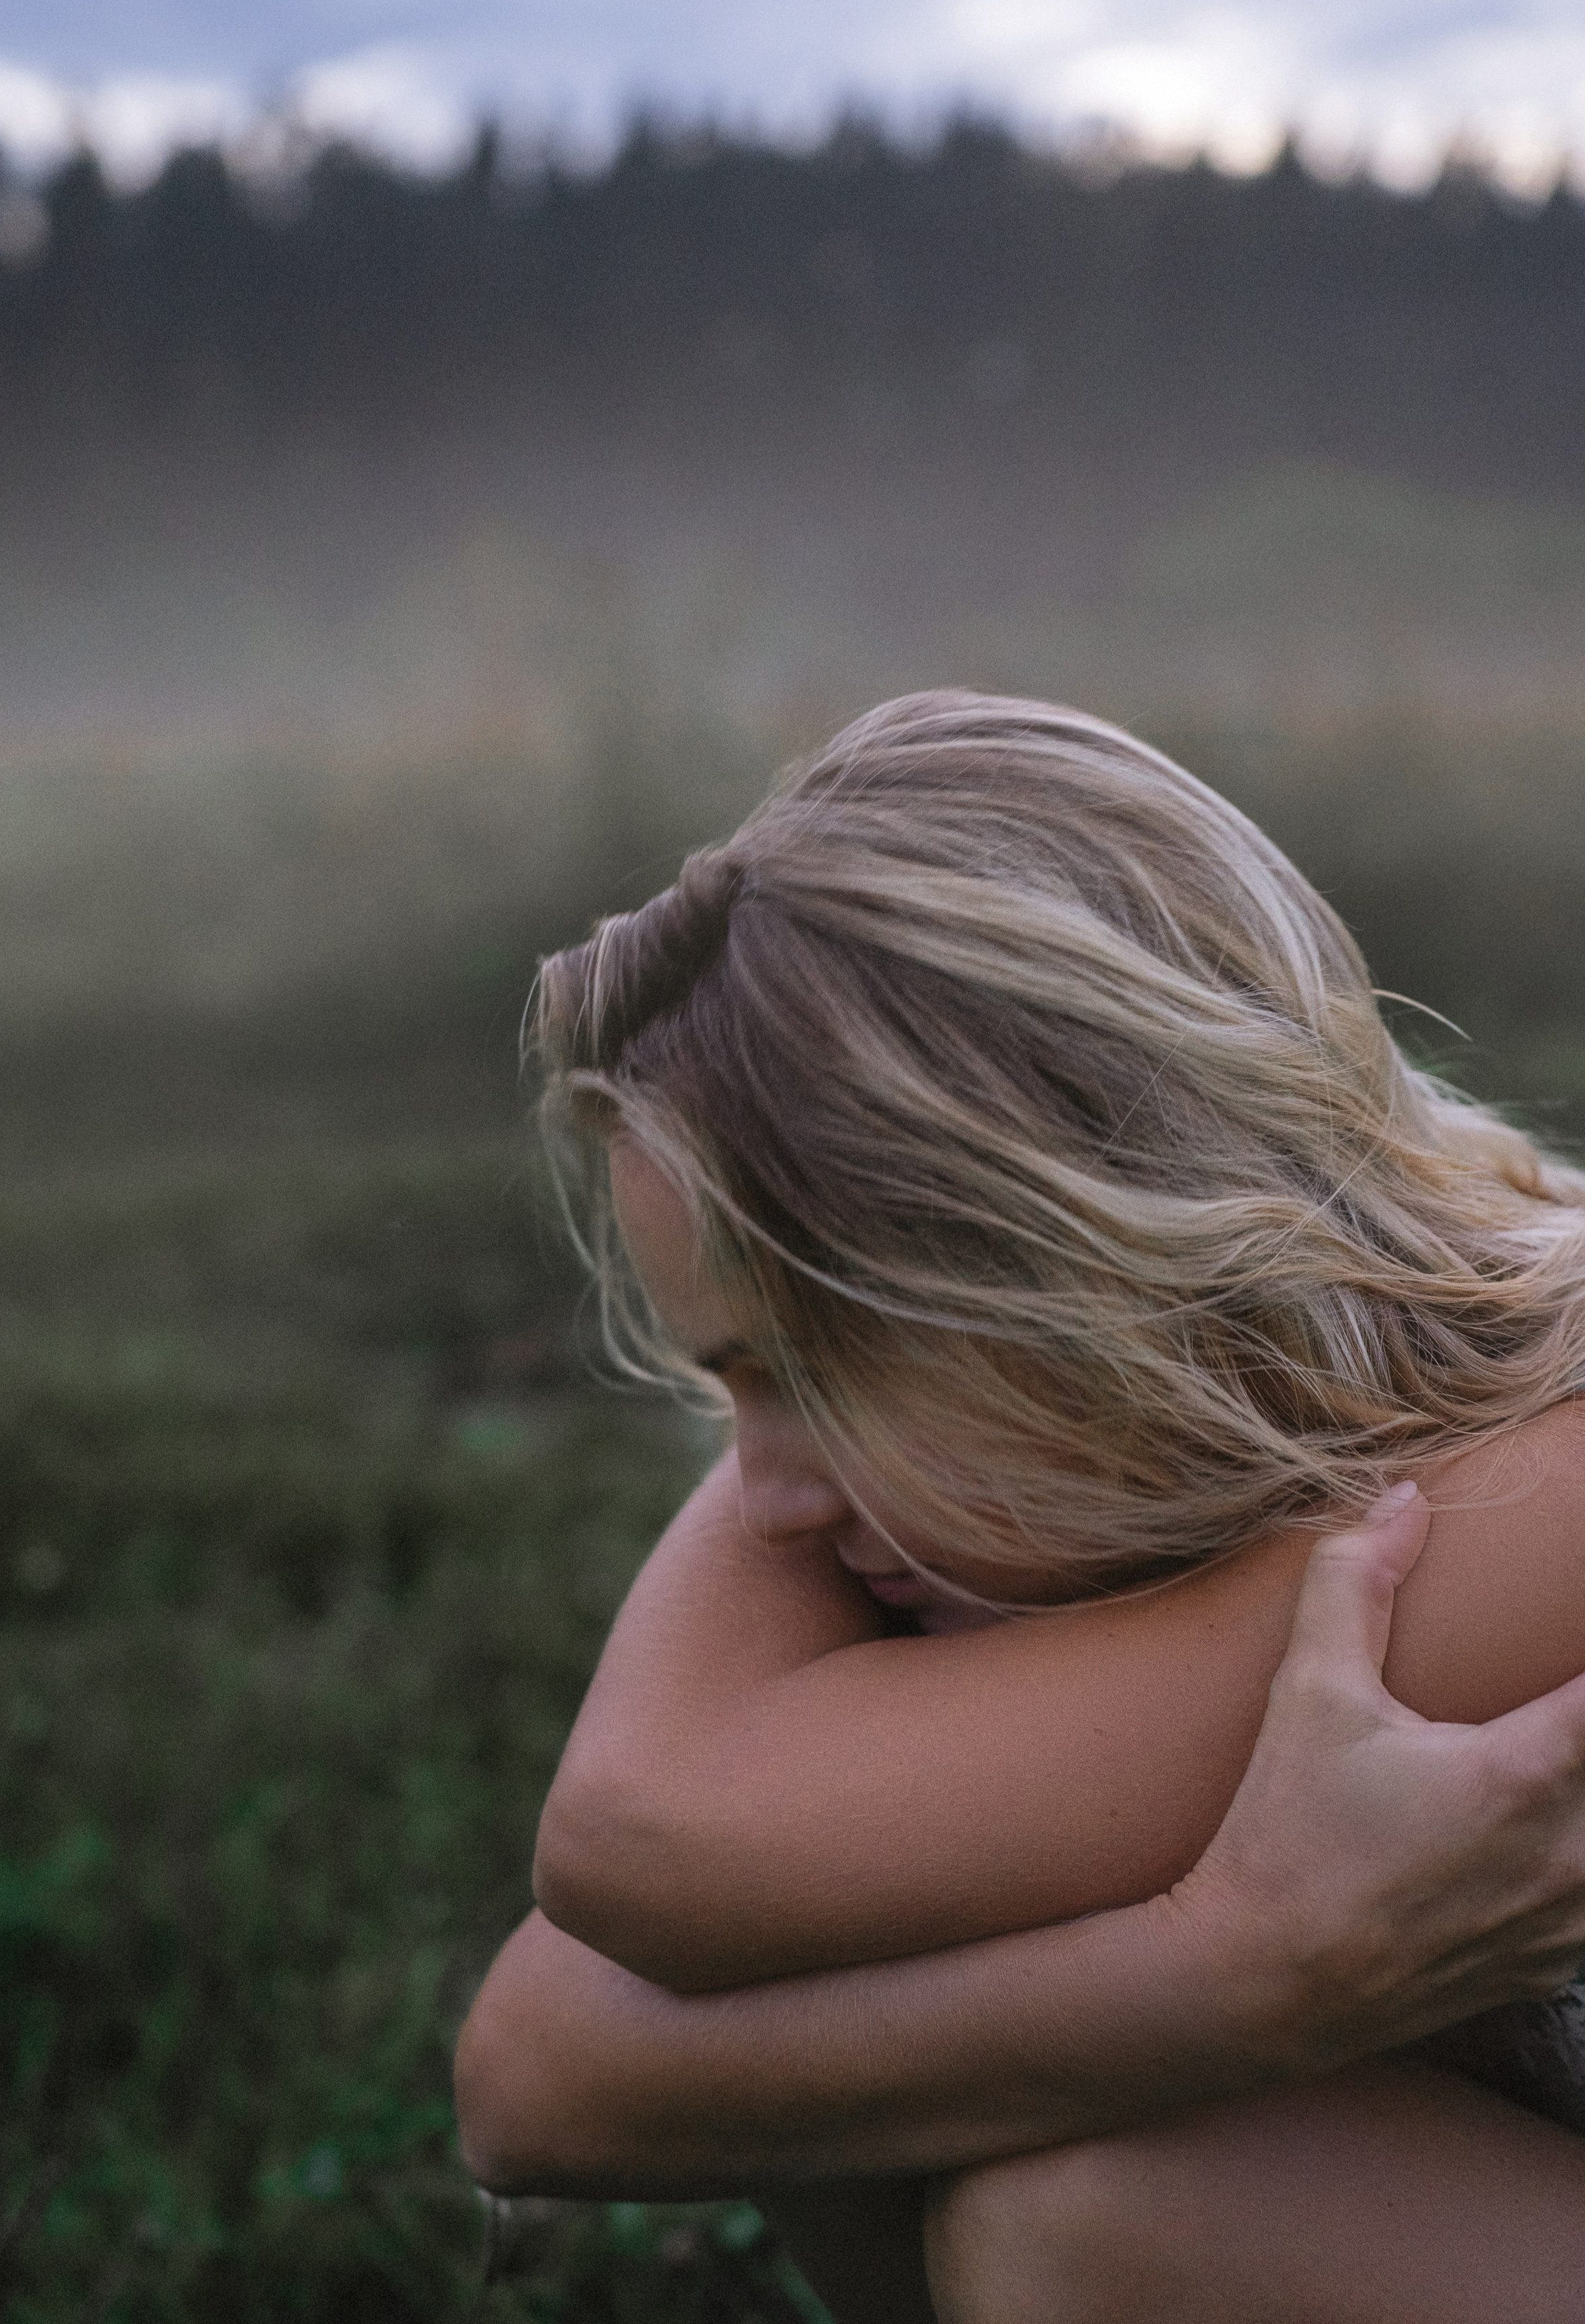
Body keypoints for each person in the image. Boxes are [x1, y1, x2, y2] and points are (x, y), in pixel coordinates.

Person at [455, 692, 1585, 2322]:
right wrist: (1235, 1974)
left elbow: (649, 1846)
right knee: (955, 2126)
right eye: (733, 1383)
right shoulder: (1122, 1468)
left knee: (1109, 2221)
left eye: (812, 1369)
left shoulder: (1546, 1492)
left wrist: (1227, 1980)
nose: (760, 1503)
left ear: (1083, 1279)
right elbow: (541, 2052)